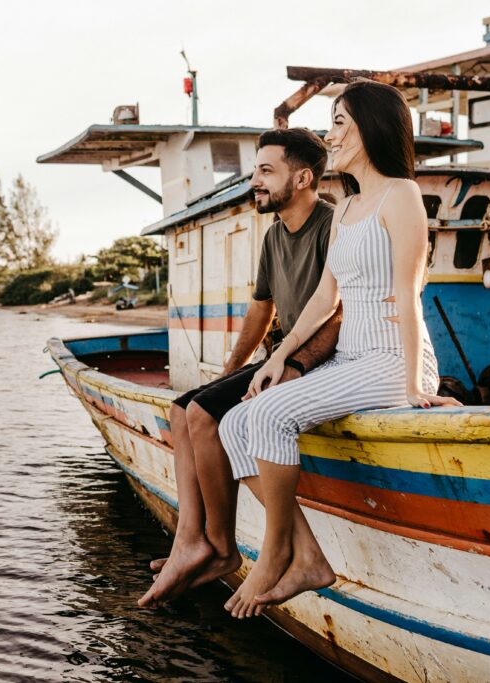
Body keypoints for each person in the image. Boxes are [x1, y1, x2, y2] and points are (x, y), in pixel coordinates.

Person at [217, 80, 462, 620]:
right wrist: (281, 356)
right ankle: (306, 555)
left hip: (392, 358)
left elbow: (408, 293)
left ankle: (275, 551)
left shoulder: (402, 196)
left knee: (273, 415)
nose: (332, 136)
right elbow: (326, 296)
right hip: (351, 357)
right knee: (236, 422)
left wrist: (419, 386)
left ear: (370, 128)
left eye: (340, 123)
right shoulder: (346, 206)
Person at [138, 128, 342, 608]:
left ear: (304, 177)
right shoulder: (274, 235)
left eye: (266, 171)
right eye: (256, 171)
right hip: (279, 355)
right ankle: (191, 538)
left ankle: (222, 546)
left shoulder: (332, 226)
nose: (256, 181)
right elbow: (260, 311)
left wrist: (289, 364)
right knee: (181, 408)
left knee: (206, 416)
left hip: (316, 360)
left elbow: (338, 310)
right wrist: (230, 372)